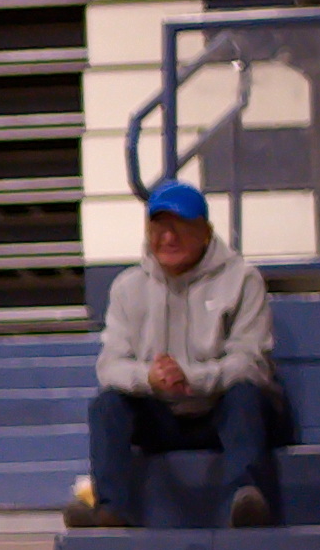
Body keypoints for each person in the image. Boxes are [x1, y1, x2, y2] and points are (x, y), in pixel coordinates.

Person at [68, 179, 280, 531]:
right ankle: (110, 511)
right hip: (162, 413)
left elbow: (251, 362)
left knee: (247, 395)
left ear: (206, 232)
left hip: (219, 410)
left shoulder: (243, 280)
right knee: (107, 405)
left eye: (179, 226)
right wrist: (149, 379)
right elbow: (110, 366)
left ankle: (244, 501)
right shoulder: (127, 287)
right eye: (159, 228)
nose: (168, 238)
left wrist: (191, 378)